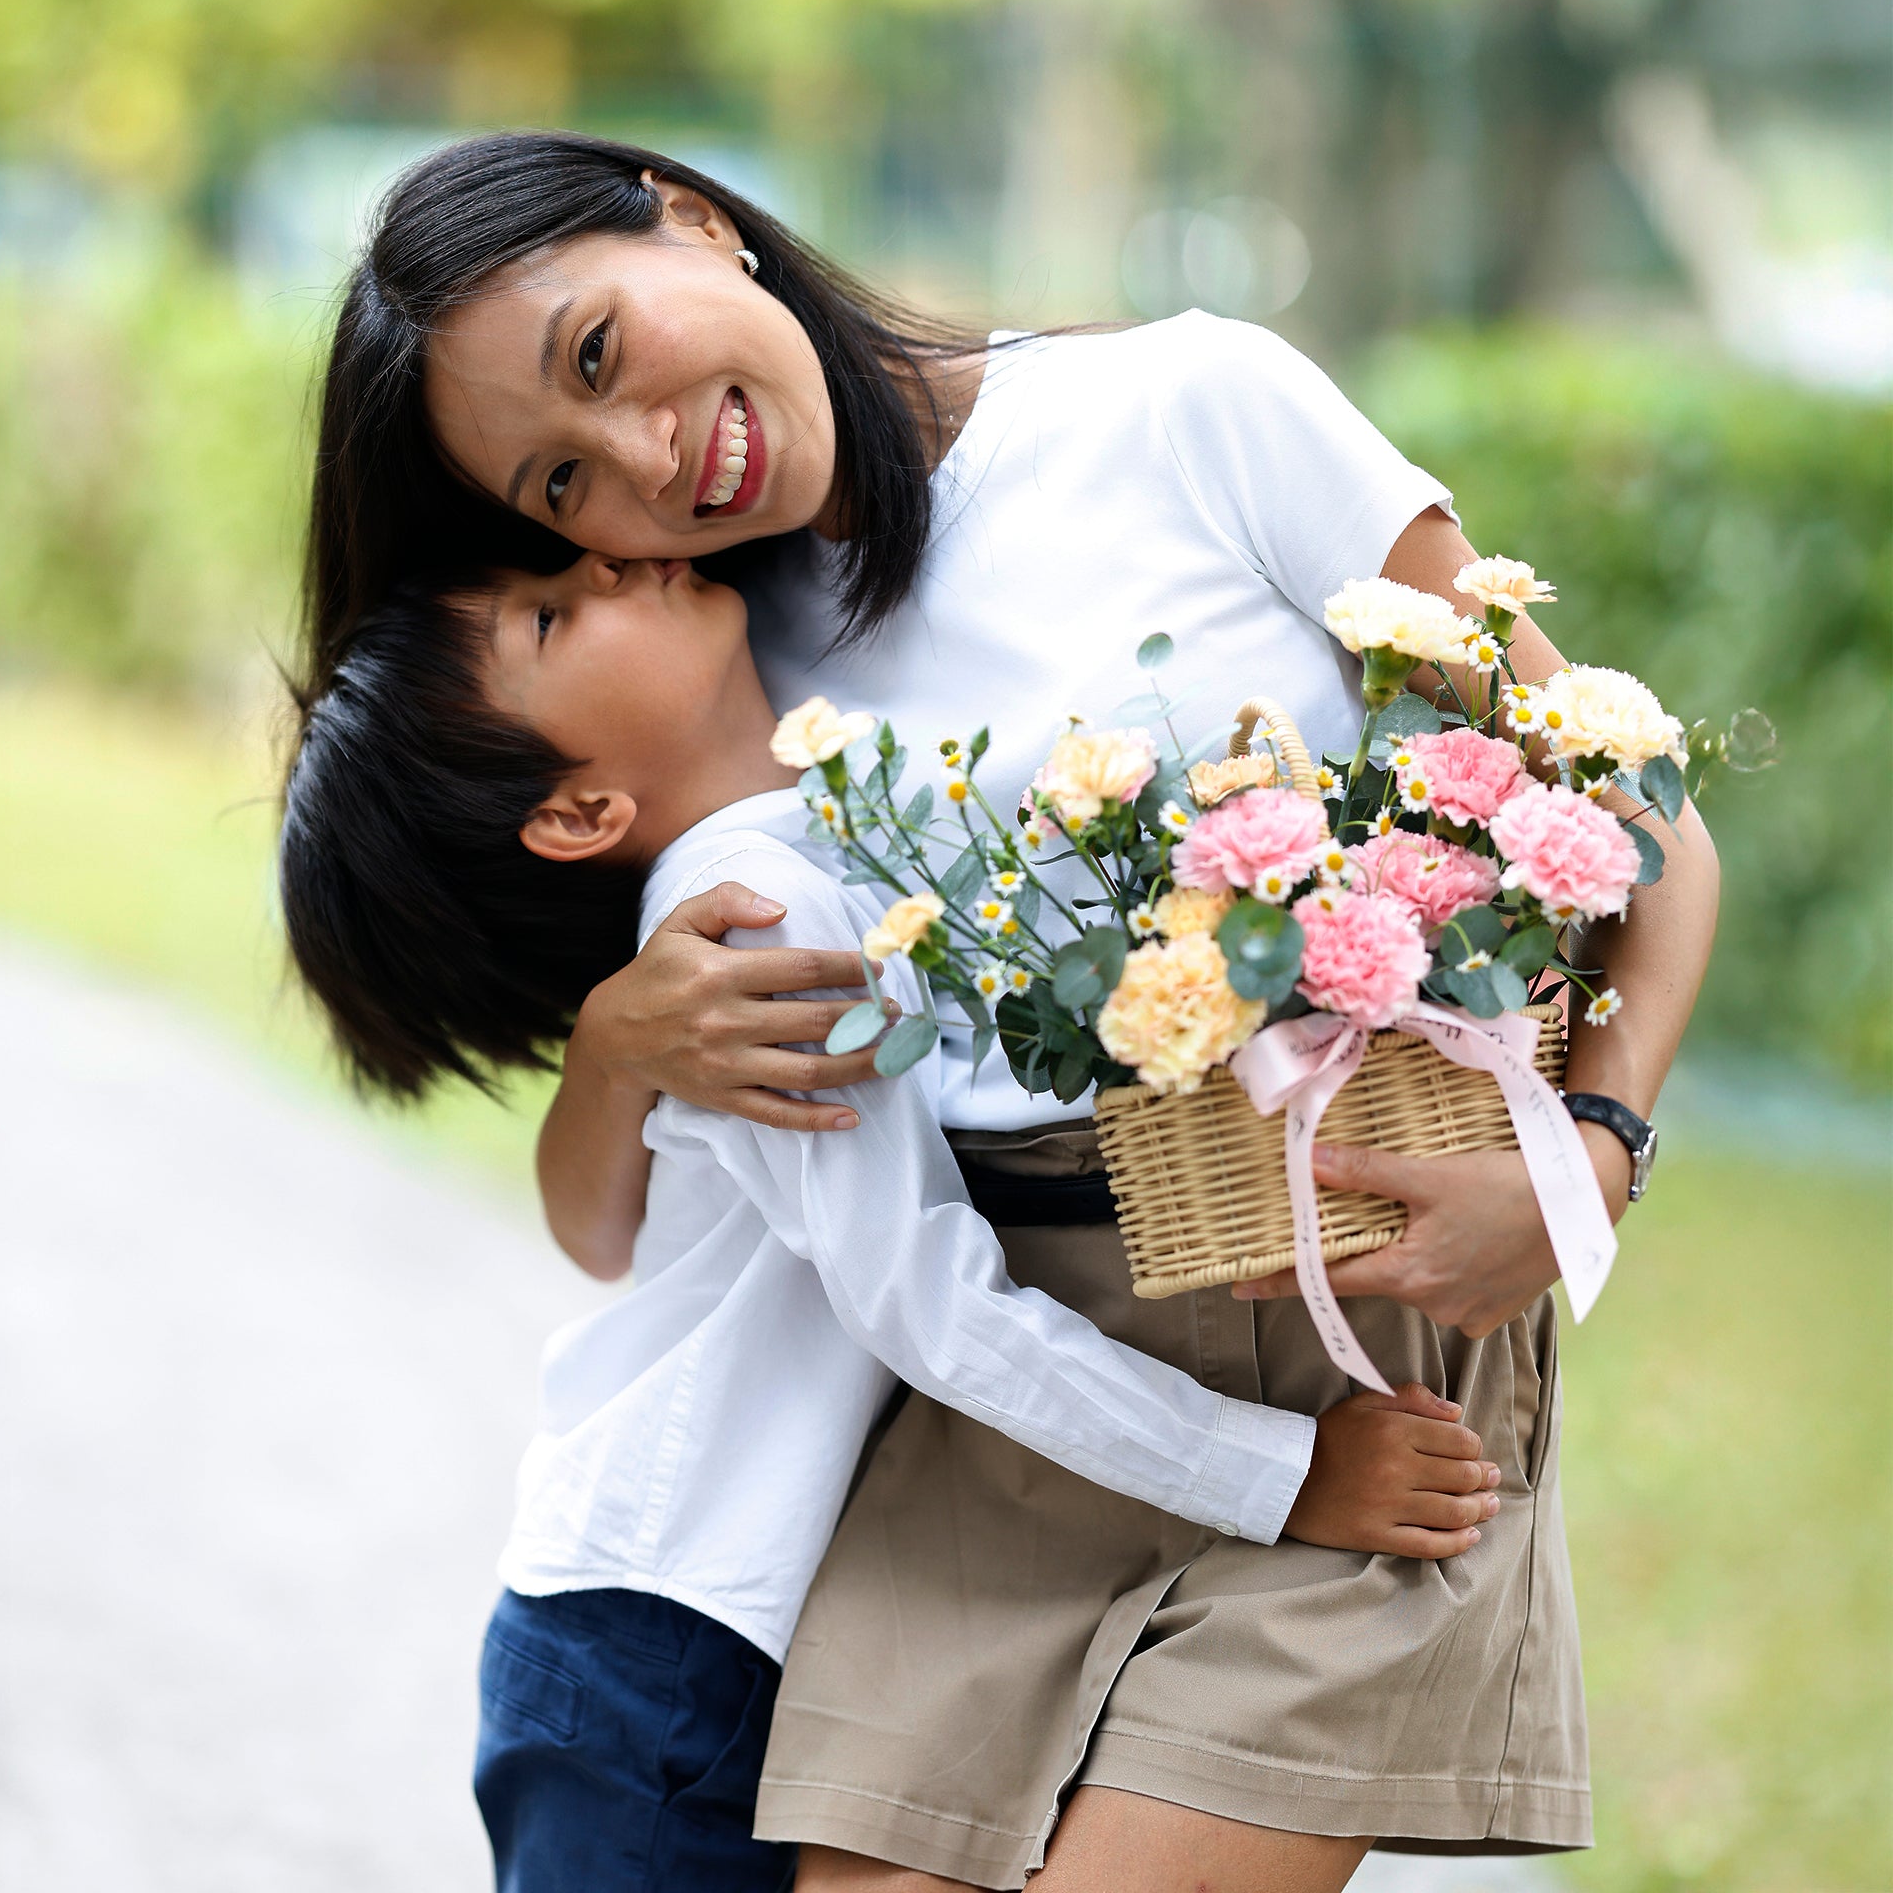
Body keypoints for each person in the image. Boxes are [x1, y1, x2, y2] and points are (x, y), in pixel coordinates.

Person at [300, 131, 1720, 1887]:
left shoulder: (1192, 408)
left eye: (601, 358)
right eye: (561, 492)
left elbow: (1636, 810)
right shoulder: (709, 644)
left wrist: (1592, 1152)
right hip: (993, 1400)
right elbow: (623, 1217)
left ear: (694, 218)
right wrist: (613, 1041)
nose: (648, 467)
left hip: (1344, 1355)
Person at [277, 553, 1502, 1893]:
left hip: (682, 1632)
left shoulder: (804, 856)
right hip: (664, 1643)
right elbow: (929, 1303)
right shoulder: (756, 926)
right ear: (579, 809)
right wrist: (1281, 1475)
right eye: (552, 616)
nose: (609, 555)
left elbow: (618, 1235)